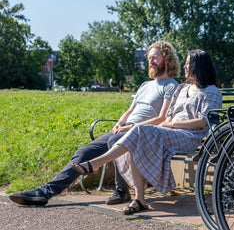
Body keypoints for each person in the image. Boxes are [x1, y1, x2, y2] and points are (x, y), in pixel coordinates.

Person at [9, 41, 180, 207]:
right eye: (149, 58)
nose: (150, 61)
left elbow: (162, 118)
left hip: (142, 133)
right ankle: (45, 192)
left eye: (155, 57)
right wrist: (120, 123)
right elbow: (129, 111)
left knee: (114, 142)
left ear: (167, 59)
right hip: (124, 129)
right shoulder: (144, 85)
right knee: (84, 152)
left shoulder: (171, 85)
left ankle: (121, 190)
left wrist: (130, 127)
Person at [71, 49, 222, 214]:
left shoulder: (211, 91)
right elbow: (170, 116)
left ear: (199, 66)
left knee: (140, 129)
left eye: (188, 64)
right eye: (185, 64)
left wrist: (170, 126)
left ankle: (96, 163)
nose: (185, 67)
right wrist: (167, 124)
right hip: (170, 132)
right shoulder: (181, 88)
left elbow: (202, 122)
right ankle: (139, 199)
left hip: (191, 137)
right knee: (138, 140)